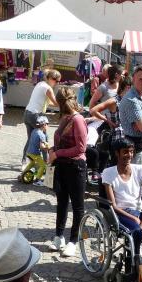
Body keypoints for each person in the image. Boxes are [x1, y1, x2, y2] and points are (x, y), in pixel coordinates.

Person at [102, 138, 142, 265]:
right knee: (137, 231)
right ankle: (132, 264)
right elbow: (113, 206)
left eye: (131, 151)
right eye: (125, 152)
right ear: (117, 153)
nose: (129, 155)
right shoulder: (108, 173)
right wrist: (134, 218)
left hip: (139, 211)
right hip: (121, 213)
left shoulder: (140, 170)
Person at [48, 88, 87, 257]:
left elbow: (81, 148)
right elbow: (62, 142)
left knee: (77, 206)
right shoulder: (65, 118)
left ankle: (73, 241)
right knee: (62, 202)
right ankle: (59, 236)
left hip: (76, 166)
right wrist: (52, 149)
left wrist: (58, 153)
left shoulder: (77, 119)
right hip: (61, 165)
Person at [23, 69, 60, 162]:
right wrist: (68, 104)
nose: (56, 83)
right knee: (44, 138)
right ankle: (46, 161)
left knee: (31, 139)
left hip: (27, 113)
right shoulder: (48, 88)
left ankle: (24, 161)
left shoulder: (40, 84)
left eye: (58, 81)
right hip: (36, 115)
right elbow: (56, 103)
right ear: (48, 78)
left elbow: (48, 103)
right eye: (55, 80)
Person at [21, 116, 49, 186]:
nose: (48, 126)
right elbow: (41, 146)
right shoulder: (42, 135)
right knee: (43, 165)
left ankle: (23, 174)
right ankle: (37, 180)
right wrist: (47, 148)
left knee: (32, 163)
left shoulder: (34, 131)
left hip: (28, 152)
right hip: (35, 154)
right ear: (44, 125)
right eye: (47, 124)